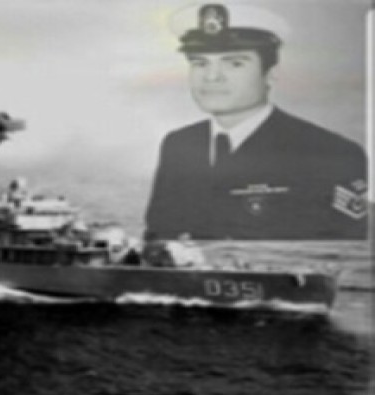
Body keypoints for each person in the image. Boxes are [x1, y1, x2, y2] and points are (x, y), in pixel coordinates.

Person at [144, 3, 368, 240]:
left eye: (235, 63)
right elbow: (159, 237)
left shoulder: (331, 153)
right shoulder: (179, 145)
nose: (211, 77)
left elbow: (351, 253)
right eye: (200, 63)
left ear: (270, 74)